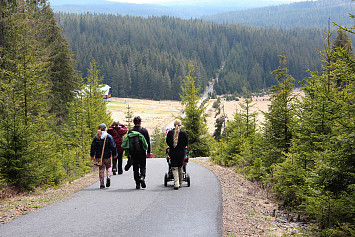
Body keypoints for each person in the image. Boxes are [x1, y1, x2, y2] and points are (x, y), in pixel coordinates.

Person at [122, 116, 151, 189]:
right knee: (143, 166)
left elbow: (128, 143)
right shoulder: (144, 131)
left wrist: (128, 154)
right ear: (140, 122)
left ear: (134, 122)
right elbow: (148, 142)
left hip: (133, 153)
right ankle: (142, 177)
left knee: (135, 168)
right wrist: (148, 152)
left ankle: (137, 183)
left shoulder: (130, 131)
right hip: (142, 152)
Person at [90, 123, 117, 189]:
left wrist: (92, 155)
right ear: (105, 129)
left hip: (98, 157)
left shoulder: (96, 137)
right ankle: (108, 176)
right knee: (109, 167)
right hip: (107, 156)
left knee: (101, 169)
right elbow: (113, 146)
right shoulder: (108, 136)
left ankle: (102, 183)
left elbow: (93, 147)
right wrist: (114, 154)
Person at [166, 119, 188, 190]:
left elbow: (168, 142)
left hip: (173, 152)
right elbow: (186, 143)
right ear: (180, 125)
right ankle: (180, 183)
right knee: (180, 167)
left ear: (174, 125)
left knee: (174, 168)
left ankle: (176, 183)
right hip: (181, 152)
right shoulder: (184, 133)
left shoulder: (170, 133)